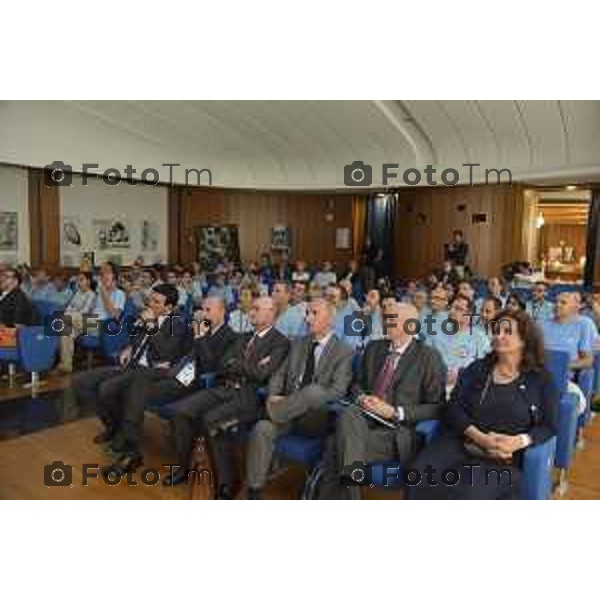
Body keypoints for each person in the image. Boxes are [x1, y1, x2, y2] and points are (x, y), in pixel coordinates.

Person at [408, 309, 558, 500]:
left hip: (503, 457)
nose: (498, 336)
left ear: (524, 339)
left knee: (467, 493)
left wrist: (518, 442)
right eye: (496, 330)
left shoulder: (541, 379)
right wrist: (479, 438)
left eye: (506, 331)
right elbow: (452, 407)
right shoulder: (478, 368)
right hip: (463, 441)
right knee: (418, 475)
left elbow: (549, 426)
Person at [318, 302, 446, 499]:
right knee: (351, 413)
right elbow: (356, 385)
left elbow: (437, 407)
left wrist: (395, 412)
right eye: (386, 318)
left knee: (334, 446)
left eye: (392, 319)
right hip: (362, 419)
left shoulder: (429, 357)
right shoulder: (373, 348)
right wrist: (361, 397)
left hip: (395, 431)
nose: (386, 323)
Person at [163, 297, 290, 497]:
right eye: (252, 308)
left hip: (247, 396)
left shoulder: (280, 342)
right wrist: (246, 365)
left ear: (271, 312)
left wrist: (237, 364)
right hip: (223, 388)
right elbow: (221, 364)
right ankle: (185, 468)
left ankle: (227, 483)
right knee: (179, 412)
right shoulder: (243, 337)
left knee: (212, 420)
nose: (251, 312)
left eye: (257, 308)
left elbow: (262, 374)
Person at [245, 298, 354, 498]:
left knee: (313, 391)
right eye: (307, 313)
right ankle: (254, 491)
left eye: (314, 313)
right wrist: (273, 395)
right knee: (262, 429)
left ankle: (267, 412)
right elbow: (279, 374)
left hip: (315, 418)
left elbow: (338, 390)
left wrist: (307, 397)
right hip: (286, 414)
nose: (308, 318)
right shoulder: (298, 343)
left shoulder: (344, 350)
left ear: (330, 319)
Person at [74, 284, 189, 473]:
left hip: (150, 373)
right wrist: (129, 347)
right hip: (132, 365)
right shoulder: (145, 317)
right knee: (82, 382)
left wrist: (151, 324)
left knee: (107, 388)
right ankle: (115, 428)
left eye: (157, 302)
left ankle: (129, 446)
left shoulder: (177, 324)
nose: (150, 304)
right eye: (150, 299)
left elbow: (166, 352)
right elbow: (136, 339)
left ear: (169, 307)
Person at [541, 292, 597, 415]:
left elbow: (588, 360)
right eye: (556, 302)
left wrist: (561, 366)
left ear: (576, 307)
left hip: (563, 377)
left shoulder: (584, 324)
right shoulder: (543, 323)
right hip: (538, 373)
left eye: (563, 303)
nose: (557, 305)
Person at [426, 293, 491, 390]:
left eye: (458, 309)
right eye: (451, 308)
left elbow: (484, 369)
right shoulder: (435, 333)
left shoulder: (480, 338)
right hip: (435, 385)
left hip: (465, 387)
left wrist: (460, 374)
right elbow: (425, 362)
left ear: (469, 314)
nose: (452, 311)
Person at [56, 271, 97, 372]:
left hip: (89, 322)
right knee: (66, 333)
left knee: (64, 317)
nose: (78, 282)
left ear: (88, 281)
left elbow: (85, 311)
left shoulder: (91, 294)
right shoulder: (77, 293)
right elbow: (69, 307)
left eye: (81, 280)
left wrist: (69, 314)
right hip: (75, 322)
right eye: (78, 280)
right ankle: (66, 365)